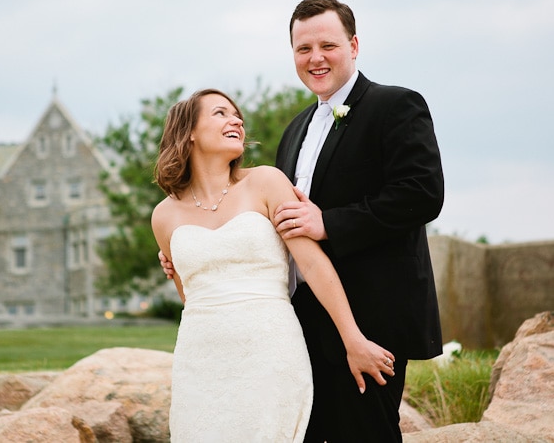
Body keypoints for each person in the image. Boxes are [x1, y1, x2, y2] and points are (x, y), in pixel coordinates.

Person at [161, 0, 444, 442]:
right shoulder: (295, 130)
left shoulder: (395, 106)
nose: (315, 58)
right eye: (302, 49)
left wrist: (329, 223)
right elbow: (276, 230)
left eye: (327, 45)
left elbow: (422, 194)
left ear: (353, 45)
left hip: (372, 317)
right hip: (299, 327)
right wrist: (203, 255)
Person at [151, 88, 396, 442]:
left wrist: (353, 340)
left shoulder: (266, 182)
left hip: (269, 351)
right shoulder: (163, 216)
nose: (235, 120)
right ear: (188, 131)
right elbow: (192, 297)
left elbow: (313, 265)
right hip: (200, 361)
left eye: (238, 116)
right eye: (220, 113)